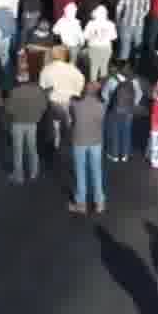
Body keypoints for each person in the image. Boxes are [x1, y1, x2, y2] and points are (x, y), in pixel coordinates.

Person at [68, 80, 107, 215]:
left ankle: (81, 203)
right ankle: (99, 202)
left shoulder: (75, 103)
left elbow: (72, 117)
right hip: (96, 140)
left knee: (80, 172)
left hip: (79, 140)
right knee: (96, 171)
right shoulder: (102, 104)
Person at [6, 62, 48, 183]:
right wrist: (37, 117)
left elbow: (8, 109)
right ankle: (34, 172)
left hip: (17, 123)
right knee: (32, 148)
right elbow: (43, 106)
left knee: (18, 150)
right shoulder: (37, 90)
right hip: (32, 123)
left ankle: (18, 175)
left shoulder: (14, 91)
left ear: (18, 79)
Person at [101, 64, 142, 164]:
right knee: (126, 132)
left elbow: (104, 94)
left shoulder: (112, 80)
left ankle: (114, 155)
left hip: (115, 109)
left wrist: (109, 103)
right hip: (129, 110)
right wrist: (134, 103)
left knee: (114, 132)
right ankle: (125, 155)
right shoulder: (134, 80)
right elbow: (139, 94)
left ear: (118, 69)